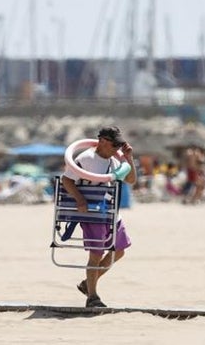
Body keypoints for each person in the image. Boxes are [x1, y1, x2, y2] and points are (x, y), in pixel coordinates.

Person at [61, 126, 137, 308]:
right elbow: (66, 180)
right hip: (92, 213)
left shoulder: (114, 160)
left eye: (120, 144)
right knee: (96, 254)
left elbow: (131, 180)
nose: (118, 148)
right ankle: (92, 297)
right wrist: (80, 200)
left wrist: (129, 158)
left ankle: (88, 283)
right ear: (102, 141)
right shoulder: (85, 158)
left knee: (119, 251)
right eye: (115, 144)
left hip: (110, 212)